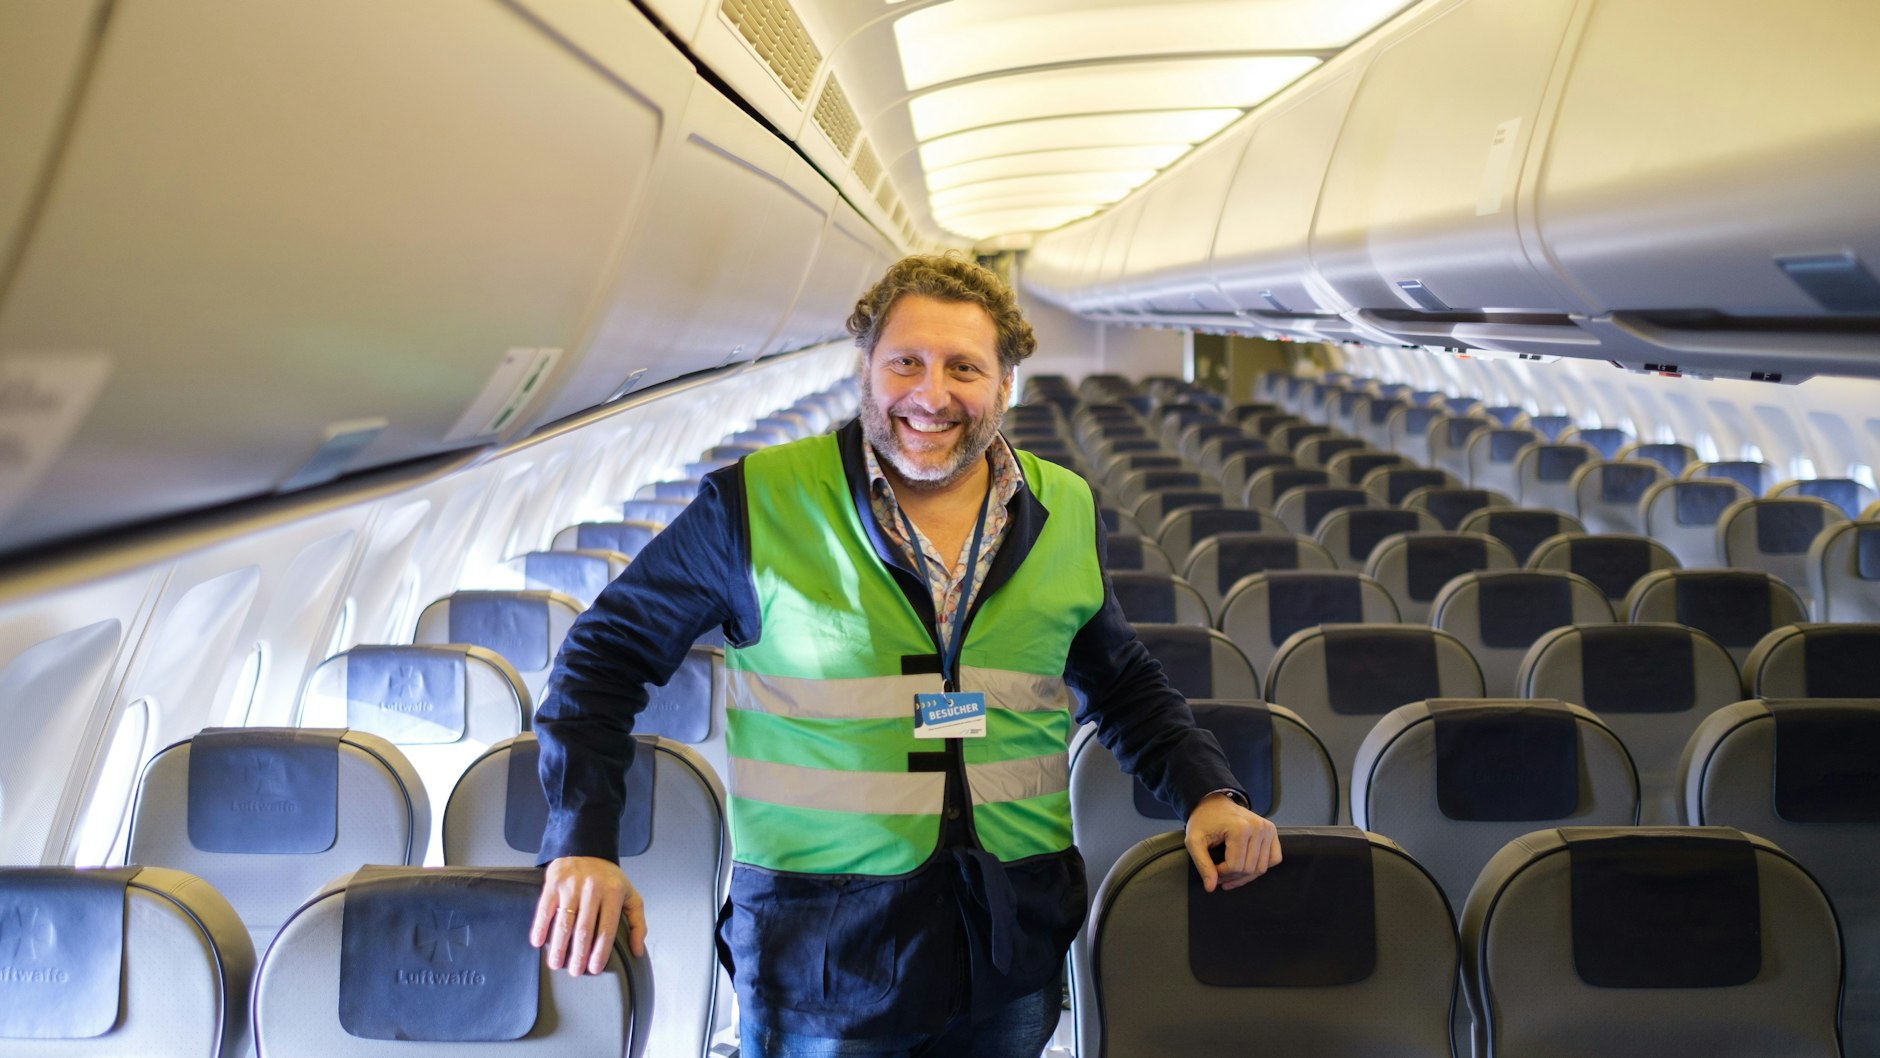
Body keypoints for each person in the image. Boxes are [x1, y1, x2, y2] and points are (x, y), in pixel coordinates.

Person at [529, 253, 1281, 1057]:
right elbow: (602, 657)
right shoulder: (756, 502)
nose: (931, 395)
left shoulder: (1063, 507)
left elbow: (1122, 681)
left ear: (1006, 385)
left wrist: (1209, 791)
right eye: (906, 364)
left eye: (964, 367)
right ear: (866, 368)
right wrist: (582, 839)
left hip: (1010, 942)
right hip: (822, 958)